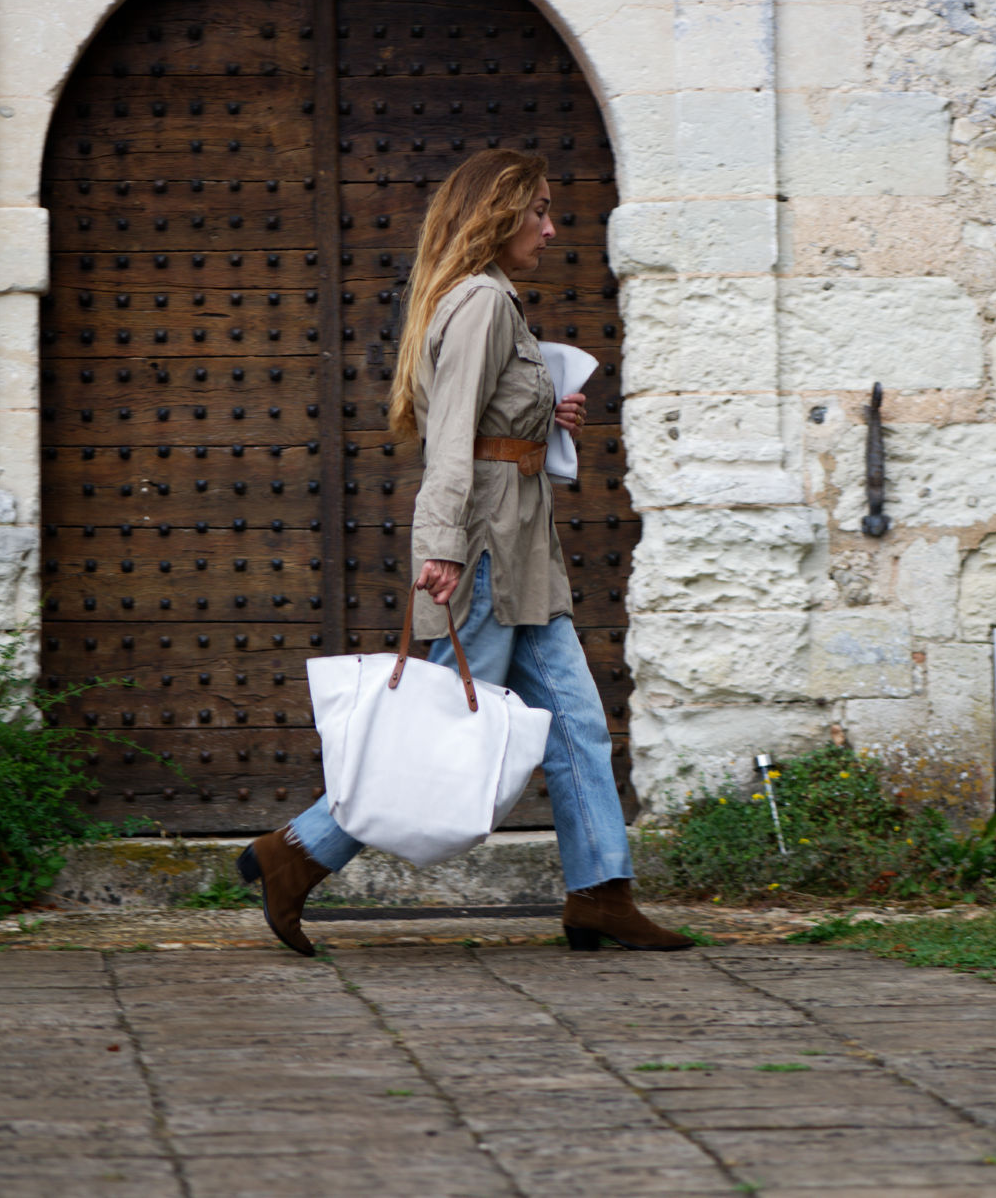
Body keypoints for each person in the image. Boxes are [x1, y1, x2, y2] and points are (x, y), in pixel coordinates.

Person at [238, 148, 691, 957]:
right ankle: (297, 853)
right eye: (540, 212)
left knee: (578, 722)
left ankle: (601, 893)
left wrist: (546, 416)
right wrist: (441, 548)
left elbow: (489, 427)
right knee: (433, 724)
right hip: (482, 550)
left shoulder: (496, 304)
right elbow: (451, 439)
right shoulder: (481, 301)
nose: (552, 229)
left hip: (524, 553)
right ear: (500, 214)